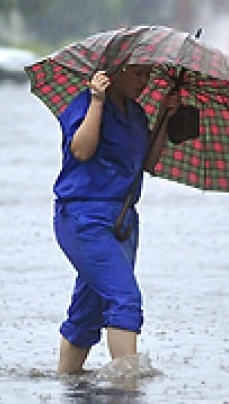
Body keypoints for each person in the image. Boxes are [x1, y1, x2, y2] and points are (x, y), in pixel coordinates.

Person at [52, 65, 178, 375]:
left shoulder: (135, 114)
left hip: (122, 222)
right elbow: (81, 150)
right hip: (84, 218)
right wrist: (97, 101)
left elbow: (146, 163)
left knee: (88, 310)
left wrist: (165, 118)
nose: (143, 83)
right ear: (114, 72)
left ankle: (66, 382)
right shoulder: (84, 103)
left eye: (147, 76)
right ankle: (126, 391)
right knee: (124, 297)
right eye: (137, 75)